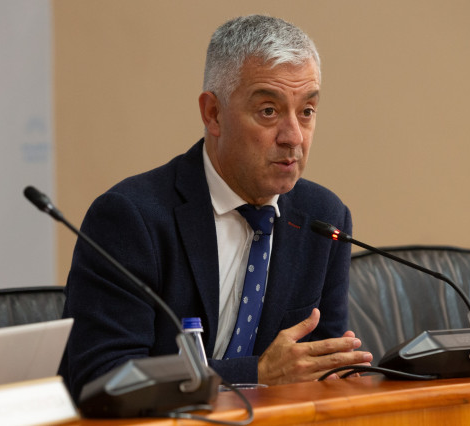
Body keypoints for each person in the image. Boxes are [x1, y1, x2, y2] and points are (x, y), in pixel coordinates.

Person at [59, 14, 372, 401]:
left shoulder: (323, 218)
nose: (293, 137)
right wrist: (255, 374)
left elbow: (323, 369)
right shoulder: (130, 218)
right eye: (269, 111)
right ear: (213, 114)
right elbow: (104, 380)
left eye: (306, 111)